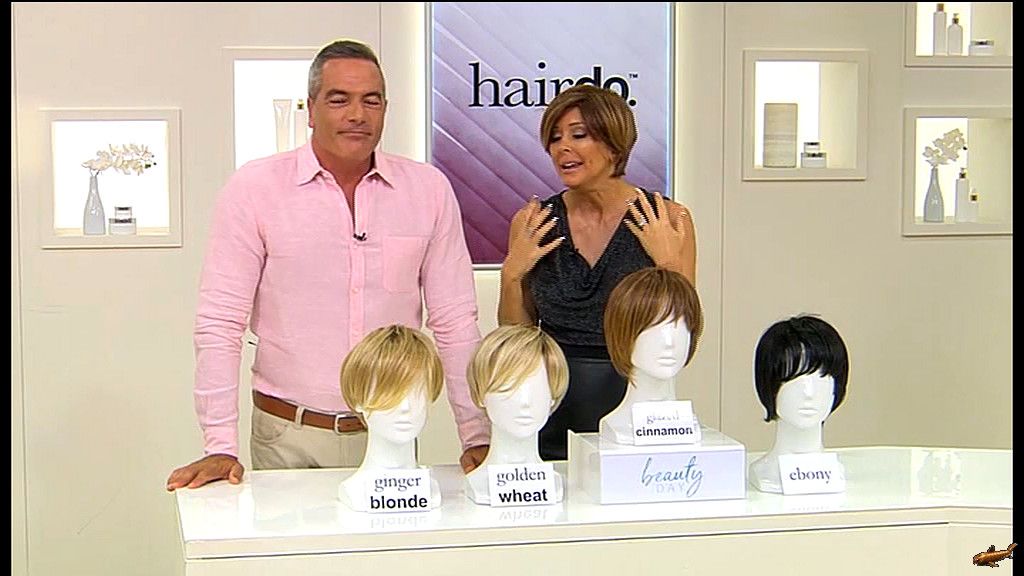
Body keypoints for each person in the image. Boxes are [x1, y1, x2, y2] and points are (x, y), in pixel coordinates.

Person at [167, 39, 488, 491]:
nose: (357, 114)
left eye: (371, 101)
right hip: (287, 438)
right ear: (311, 109)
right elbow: (220, 323)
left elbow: (455, 321)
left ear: (385, 109)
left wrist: (477, 435)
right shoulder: (255, 189)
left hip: (390, 437)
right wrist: (220, 445)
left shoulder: (428, 190)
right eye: (340, 100)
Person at [497, 84, 697, 460]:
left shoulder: (668, 219)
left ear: (614, 145)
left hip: (637, 414)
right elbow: (516, 340)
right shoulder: (533, 221)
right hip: (548, 404)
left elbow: (685, 338)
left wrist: (668, 265)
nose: (562, 148)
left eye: (578, 135)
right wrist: (512, 274)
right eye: (555, 138)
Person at [337, 325, 443, 511]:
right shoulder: (356, 492)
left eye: (417, 393)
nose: (405, 407)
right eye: (388, 394)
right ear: (359, 399)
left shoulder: (429, 491)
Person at [464, 325, 569, 504]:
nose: (524, 402)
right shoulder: (478, 484)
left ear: (552, 396)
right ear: (481, 395)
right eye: (508, 389)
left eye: (538, 390)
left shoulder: (553, 485)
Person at [599, 267, 703, 445]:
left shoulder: (687, 427)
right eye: (653, 327)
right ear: (623, 331)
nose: (669, 342)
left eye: (680, 326)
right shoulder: (617, 427)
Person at [748, 315, 849, 493]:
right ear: (769, 385)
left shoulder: (834, 474)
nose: (808, 392)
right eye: (793, 378)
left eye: (822, 377)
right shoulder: (764, 474)